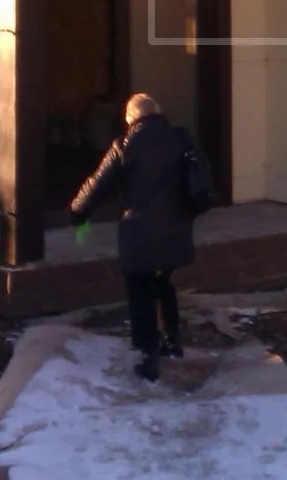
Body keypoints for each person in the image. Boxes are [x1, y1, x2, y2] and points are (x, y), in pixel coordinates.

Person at [69, 92, 196, 383]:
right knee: (163, 283)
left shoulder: (125, 145)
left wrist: (77, 212)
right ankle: (173, 341)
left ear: (132, 118)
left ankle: (147, 355)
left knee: (140, 292)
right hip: (176, 228)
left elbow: (97, 184)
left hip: (140, 232)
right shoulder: (181, 139)